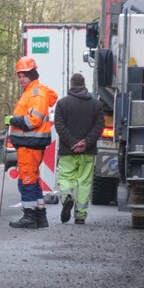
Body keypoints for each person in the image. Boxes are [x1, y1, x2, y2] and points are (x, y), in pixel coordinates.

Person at [8, 56, 58, 229]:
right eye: (19, 76)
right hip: (28, 145)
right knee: (32, 180)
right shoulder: (31, 91)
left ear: (32, 74)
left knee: (27, 180)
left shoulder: (36, 93)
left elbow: (32, 121)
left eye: (24, 75)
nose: (21, 79)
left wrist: (13, 120)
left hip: (30, 145)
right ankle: (40, 216)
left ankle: (29, 217)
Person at [54, 73, 104, 225]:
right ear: (84, 85)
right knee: (84, 182)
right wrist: (85, 143)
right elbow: (99, 127)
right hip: (87, 152)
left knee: (65, 178)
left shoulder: (62, 104)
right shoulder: (97, 105)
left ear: (71, 84)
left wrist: (72, 143)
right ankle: (80, 215)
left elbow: (60, 127)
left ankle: (67, 196)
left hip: (68, 151)